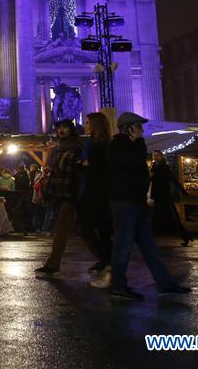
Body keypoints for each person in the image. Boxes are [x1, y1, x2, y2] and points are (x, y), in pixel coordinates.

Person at [107, 112, 190, 300]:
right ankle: (118, 286)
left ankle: (164, 283)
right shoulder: (117, 146)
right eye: (138, 126)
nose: (142, 129)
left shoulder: (135, 145)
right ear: (128, 128)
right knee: (123, 246)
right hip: (124, 202)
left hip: (137, 202)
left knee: (150, 246)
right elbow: (130, 166)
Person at [35, 120, 84, 278]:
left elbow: (78, 172)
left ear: (71, 129)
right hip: (62, 195)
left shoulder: (78, 148)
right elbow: (56, 173)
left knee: (67, 230)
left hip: (72, 194)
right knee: (68, 230)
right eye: (59, 128)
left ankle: (54, 264)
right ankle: (53, 264)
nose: (61, 130)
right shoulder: (59, 150)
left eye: (65, 127)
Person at [80, 112, 115, 288]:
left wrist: (83, 165)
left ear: (95, 125)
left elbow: (94, 169)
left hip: (97, 194)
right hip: (101, 193)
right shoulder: (105, 144)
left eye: (87, 122)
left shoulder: (97, 146)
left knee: (92, 229)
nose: (85, 125)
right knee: (102, 232)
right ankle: (108, 264)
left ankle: (109, 265)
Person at [149, 150, 192, 246]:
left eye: (157, 155)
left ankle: (185, 236)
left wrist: (182, 191)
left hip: (163, 196)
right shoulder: (155, 167)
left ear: (161, 156)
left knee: (170, 217)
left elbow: (172, 179)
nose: (156, 157)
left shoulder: (164, 167)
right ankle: (184, 236)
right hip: (159, 196)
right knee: (163, 217)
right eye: (154, 155)